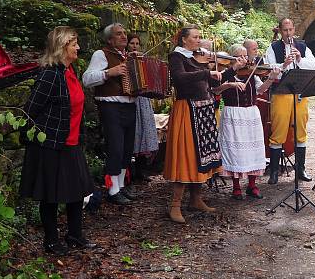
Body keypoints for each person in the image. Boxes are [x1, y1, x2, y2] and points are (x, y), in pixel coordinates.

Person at [20, 26, 95, 256]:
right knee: (51, 194)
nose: (78, 48)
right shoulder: (49, 75)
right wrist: (39, 138)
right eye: (74, 44)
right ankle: (51, 240)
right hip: (50, 145)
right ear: (63, 47)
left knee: (77, 190)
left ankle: (75, 235)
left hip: (71, 142)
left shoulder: (70, 71)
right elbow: (30, 111)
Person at [164, 25, 246, 223]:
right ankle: (174, 205)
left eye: (200, 37)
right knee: (186, 155)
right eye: (195, 37)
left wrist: (233, 69)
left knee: (202, 157)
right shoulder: (177, 57)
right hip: (187, 109)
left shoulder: (197, 58)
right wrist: (206, 73)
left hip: (204, 110)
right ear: (183, 39)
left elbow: (213, 84)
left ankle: (195, 199)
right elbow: (179, 79)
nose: (199, 41)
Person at [214, 44, 281, 200]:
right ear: (232, 58)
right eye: (240, 56)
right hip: (232, 114)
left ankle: (252, 186)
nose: (245, 59)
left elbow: (261, 89)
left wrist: (271, 78)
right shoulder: (225, 74)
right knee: (234, 151)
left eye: (246, 56)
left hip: (251, 114)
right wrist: (229, 84)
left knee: (252, 149)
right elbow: (215, 90)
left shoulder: (253, 74)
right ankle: (236, 187)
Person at [82, 23, 137, 205]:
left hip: (130, 106)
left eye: (124, 33)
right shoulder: (101, 54)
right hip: (111, 107)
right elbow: (87, 79)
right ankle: (113, 191)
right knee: (116, 147)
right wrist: (109, 73)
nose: (124, 36)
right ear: (109, 39)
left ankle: (120, 187)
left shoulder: (128, 56)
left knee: (127, 148)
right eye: (118, 34)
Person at [263, 17, 315, 184]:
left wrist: (300, 59)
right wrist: (285, 64)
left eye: (290, 30)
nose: (288, 33)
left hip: (300, 93)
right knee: (278, 131)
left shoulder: (302, 46)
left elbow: (314, 66)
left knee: (301, 130)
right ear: (280, 31)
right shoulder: (272, 48)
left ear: (294, 30)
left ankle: (300, 169)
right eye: (285, 30)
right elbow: (269, 71)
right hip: (281, 92)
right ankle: (274, 172)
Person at [126, 34, 159, 182]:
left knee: (145, 133)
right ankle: (128, 173)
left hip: (144, 100)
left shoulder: (142, 60)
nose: (134, 46)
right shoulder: (124, 59)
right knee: (134, 134)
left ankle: (141, 171)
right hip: (131, 99)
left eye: (137, 43)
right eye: (132, 43)